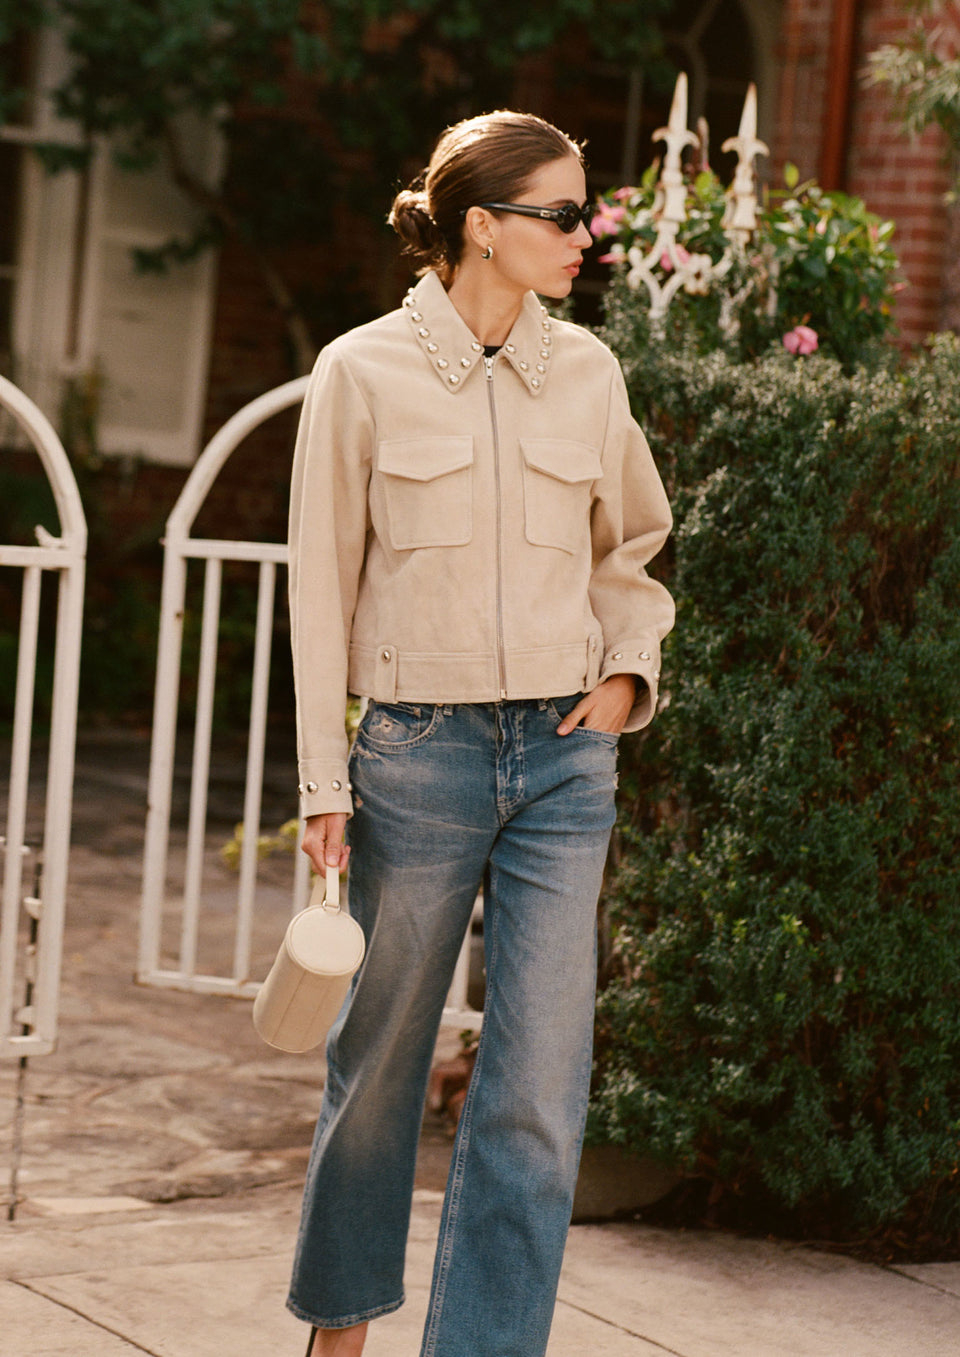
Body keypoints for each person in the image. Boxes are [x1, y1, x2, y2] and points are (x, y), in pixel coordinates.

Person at [286, 109, 674, 1357]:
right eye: (561, 215)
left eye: (585, 212)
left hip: (565, 761)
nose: (584, 234)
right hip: (418, 753)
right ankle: (339, 1327)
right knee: (381, 1061)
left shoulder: (590, 373)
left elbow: (634, 545)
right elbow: (315, 588)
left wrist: (625, 674)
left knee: (539, 1091)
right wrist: (322, 779)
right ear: (482, 229)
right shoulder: (361, 372)